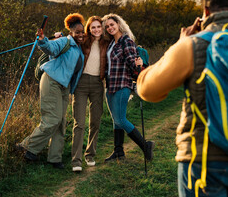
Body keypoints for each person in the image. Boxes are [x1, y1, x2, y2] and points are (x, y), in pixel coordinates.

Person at [137, 0, 228, 196]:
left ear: (206, 11)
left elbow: (147, 89)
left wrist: (178, 45)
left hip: (203, 159)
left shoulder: (193, 45)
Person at [17, 13, 85, 169]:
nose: (81, 34)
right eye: (78, 32)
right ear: (71, 32)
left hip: (64, 87)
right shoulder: (64, 41)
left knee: (60, 123)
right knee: (52, 119)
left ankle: (55, 158)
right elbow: (50, 48)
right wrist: (42, 40)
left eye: (83, 32)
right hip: (51, 81)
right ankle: (26, 146)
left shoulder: (80, 49)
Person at [101, 13, 154, 163]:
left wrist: (138, 66)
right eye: (107, 27)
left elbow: (133, 64)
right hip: (110, 85)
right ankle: (118, 151)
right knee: (115, 120)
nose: (110, 28)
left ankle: (146, 145)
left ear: (118, 24)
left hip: (122, 84)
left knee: (120, 119)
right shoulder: (112, 43)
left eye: (112, 24)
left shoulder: (126, 41)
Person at [71, 16, 112, 172]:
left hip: (97, 84)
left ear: (102, 28)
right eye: (93, 27)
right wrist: (56, 37)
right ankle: (76, 160)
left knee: (95, 121)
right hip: (81, 84)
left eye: (98, 27)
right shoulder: (83, 41)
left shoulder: (107, 44)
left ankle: (90, 154)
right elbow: (70, 39)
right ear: (89, 29)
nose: (96, 30)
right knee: (79, 123)